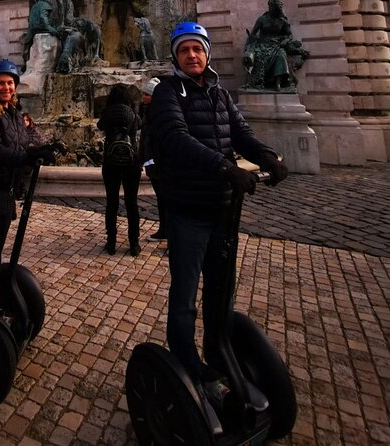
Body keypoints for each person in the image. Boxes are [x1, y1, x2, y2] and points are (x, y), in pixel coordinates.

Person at [149, 22, 288, 433]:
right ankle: (187, 360)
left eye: (198, 49)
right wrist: (225, 168)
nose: (192, 55)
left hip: (223, 212)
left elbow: (240, 133)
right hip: (188, 210)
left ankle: (219, 352)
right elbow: (175, 138)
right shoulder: (167, 92)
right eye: (185, 49)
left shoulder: (220, 93)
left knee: (222, 289)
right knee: (186, 293)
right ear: (175, 55)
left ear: (207, 53)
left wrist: (267, 157)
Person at [0, 59, 55, 309]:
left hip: (5, 192)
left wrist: (42, 149)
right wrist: (27, 156)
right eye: (1, 83)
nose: (6, 87)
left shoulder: (14, 113)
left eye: (10, 83)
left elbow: (23, 143)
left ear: (15, 86)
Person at [97, 85, 143, 257]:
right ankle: (134, 244)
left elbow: (100, 126)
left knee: (112, 202)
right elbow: (138, 127)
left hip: (111, 161)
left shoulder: (108, 112)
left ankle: (111, 243)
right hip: (131, 162)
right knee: (132, 203)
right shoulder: (132, 113)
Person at [244, 0, 308, 91]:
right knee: (258, 56)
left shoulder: (282, 21)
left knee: (281, 55)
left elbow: (289, 35)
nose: (272, 9)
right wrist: (252, 40)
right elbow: (253, 33)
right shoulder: (262, 19)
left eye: (275, 9)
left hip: (276, 45)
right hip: (262, 45)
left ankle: (278, 83)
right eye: (271, 7)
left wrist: (285, 41)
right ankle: (258, 81)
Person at [139, 77, 167, 243]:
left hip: (159, 162)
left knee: (166, 199)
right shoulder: (148, 111)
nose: (143, 96)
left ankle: (171, 234)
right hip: (153, 161)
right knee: (161, 199)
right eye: (143, 93)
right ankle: (164, 229)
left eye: (147, 94)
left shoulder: (158, 113)